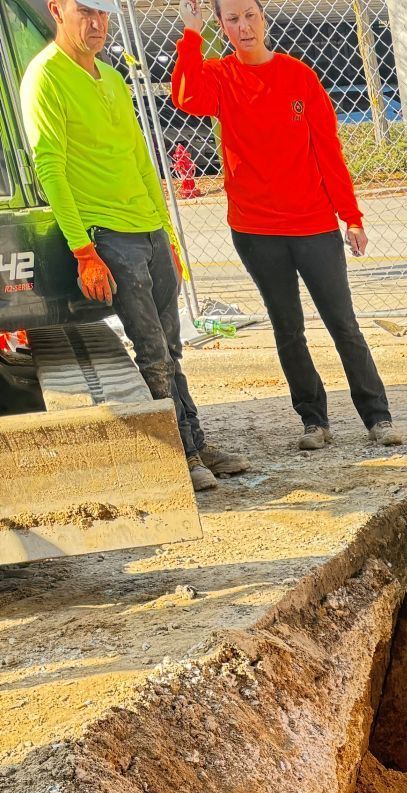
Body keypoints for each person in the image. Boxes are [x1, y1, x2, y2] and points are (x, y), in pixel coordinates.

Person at [20, 0, 249, 492]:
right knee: (151, 352)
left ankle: (195, 442)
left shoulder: (112, 78)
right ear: (56, 10)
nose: (97, 23)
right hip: (108, 236)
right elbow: (50, 168)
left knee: (171, 347)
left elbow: (141, 159)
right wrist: (84, 251)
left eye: (103, 14)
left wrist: (167, 234)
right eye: (85, 11)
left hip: (146, 230)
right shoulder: (46, 78)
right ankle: (180, 458)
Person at [171, 0, 401, 452]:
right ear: (222, 27)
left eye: (250, 16)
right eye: (232, 20)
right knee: (287, 327)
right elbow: (185, 95)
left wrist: (349, 215)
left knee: (343, 323)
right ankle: (314, 421)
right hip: (256, 230)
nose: (244, 27)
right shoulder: (220, 76)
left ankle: (378, 417)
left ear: (263, 18)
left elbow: (328, 151)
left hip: (313, 224)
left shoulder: (299, 76)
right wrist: (191, 35)